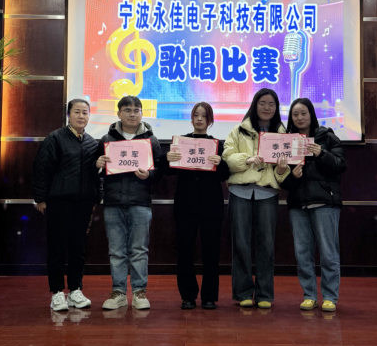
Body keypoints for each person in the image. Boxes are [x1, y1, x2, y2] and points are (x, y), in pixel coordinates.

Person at [222, 88, 291, 309]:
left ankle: (264, 294)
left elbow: (286, 172)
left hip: (267, 193)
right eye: (262, 103)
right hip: (240, 192)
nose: (267, 107)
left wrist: (281, 169)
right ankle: (243, 292)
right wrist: (247, 159)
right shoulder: (238, 130)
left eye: (271, 104)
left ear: (276, 108)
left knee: (267, 245)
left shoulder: (283, 135)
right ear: (254, 105)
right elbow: (227, 158)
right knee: (240, 244)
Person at [159, 102, 230, 310]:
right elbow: (168, 170)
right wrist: (167, 158)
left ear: (210, 120)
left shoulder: (217, 144)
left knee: (211, 252)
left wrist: (220, 162)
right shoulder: (181, 142)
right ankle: (188, 295)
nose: (199, 119)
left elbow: (224, 175)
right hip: (185, 204)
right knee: (185, 251)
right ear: (191, 119)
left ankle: (209, 296)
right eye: (196, 115)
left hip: (211, 205)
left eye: (204, 116)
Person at [278, 98, 347, 313]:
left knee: (328, 253)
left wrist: (321, 153)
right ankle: (309, 296)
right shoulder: (287, 142)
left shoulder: (327, 137)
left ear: (311, 114)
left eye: (303, 113)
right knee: (302, 254)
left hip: (325, 202)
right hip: (298, 204)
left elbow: (341, 165)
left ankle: (330, 297)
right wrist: (292, 176)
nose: (299, 118)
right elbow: (284, 183)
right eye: (295, 114)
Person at [33, 99, 101, 312]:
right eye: (77, 112)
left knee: (78, 248)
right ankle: (56, 292)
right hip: (59, 201)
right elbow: (41, 169)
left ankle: (75, 290)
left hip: (84, 202)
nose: (81, 116)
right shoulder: (55, 138)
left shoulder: (92, 143)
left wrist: (97, 198)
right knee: (57, 247)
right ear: (68, 115)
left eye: (85, 113)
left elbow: (96, 175)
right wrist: (40, 198)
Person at [95, 96, 162, 311]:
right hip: (113, 202)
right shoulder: (107, 139)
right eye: (127, 110)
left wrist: (149, 175)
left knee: (139, 250)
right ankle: (119, 292)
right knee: (116, 251)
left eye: (136, 110)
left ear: (141, 113)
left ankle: (140, 292)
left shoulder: (151, 140)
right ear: (119, 113)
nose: (132, 114)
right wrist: (98, 164)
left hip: (140, 203)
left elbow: (159, 172)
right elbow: (97, 171)